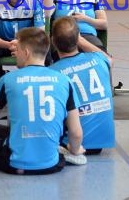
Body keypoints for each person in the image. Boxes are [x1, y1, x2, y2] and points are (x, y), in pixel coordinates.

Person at [0, 27, 85, 174]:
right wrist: (75, 150)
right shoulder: (65, 80)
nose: (14, 54)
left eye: (16, 49)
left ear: (26, 52)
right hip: (53, 165)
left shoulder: (7, 80)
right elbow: (76, 133)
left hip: (15, 164)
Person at [50, 17, 114, 154]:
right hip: (98, 145)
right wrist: (79, 39)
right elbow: (109, 59)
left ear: (53, 41)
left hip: (71, 142)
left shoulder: (53, 72)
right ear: (78, 38)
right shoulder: (99, 59)